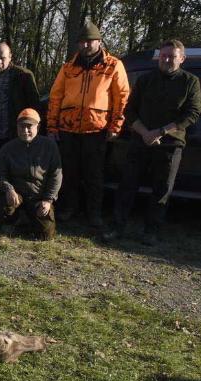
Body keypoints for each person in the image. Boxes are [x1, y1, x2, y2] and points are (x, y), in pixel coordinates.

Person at [104, 39, 201, 245]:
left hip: (170, 144)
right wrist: (145, 132)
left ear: (182, 59)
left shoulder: (191, 82)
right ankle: (117, 226)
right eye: (164, 56)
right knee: (127, 186)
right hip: (139, 141)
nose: (167, 60)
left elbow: (192, 114)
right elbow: (129, 110)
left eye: (172, 56)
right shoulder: (145, 80)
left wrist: (161, 132)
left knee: (161, 190)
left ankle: (151, 231)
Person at [47, 20, 130, 226]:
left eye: (89, 41)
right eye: (82, 42)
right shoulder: (68, 67)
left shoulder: (113, 65)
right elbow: (55, 97)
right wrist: (52, 126)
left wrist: (115, 127)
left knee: (94, 175)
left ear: (99, 42)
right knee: (69, 173)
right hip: (68, 129)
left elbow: (122, 98)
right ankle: (68, 209)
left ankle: (94, 214)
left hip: (97, 130)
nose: (85, 45)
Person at [0, 108, 62, 240]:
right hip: (16, 195)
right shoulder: (7, 148)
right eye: (21, 126)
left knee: (45, 236)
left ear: (38, 126)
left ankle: (28, 220)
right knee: (4, 208)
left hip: (39, 197)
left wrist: (48, 200)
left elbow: (56, 176)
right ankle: (15, 219)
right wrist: (9, 188)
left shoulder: (50, 146)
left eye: (29, 126)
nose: (25, 130)